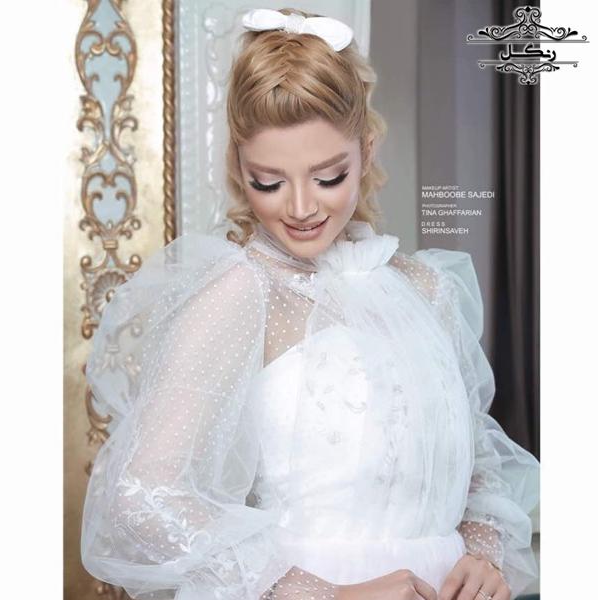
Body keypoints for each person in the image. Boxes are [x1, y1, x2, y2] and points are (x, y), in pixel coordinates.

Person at [80, 7, 540, 600]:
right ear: (238, 167)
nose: (300, 207)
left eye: (328, 177)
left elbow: (476, 468)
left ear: (367, 149)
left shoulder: (426, 289)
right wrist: (325, 595)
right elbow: (141, 494)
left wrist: (481, 553)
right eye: (269, 182)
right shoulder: (242, 291)